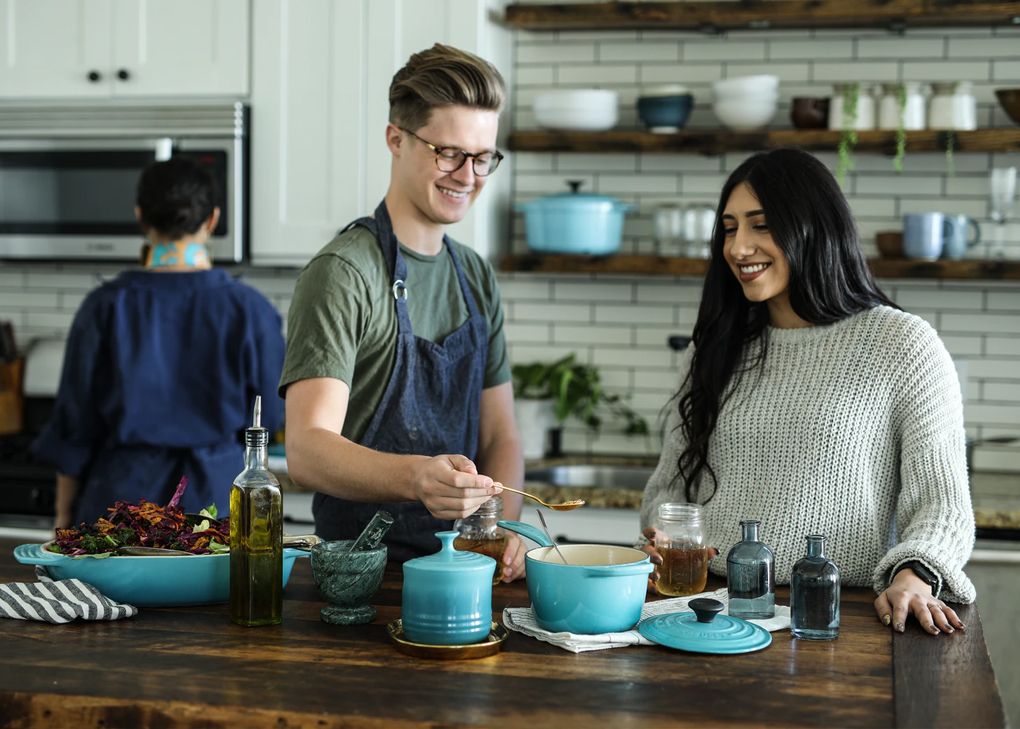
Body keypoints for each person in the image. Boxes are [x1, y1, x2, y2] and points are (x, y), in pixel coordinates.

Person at [639, 147, 974, 637]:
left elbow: (942, 505)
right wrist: (663, 535)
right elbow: (670, 488)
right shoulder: (715, 347)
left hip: (836, 616)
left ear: (813, 228)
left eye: (761, 225)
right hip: (708, 612)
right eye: (730, 229)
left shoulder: (902, 344)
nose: (738, 247)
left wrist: (915, 575)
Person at [279, 44, 527, 578]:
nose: (468, 176)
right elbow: (306, 449)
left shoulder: (475, 275)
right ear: (396, 138)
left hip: (465, 572)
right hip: (363, 582)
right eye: (449, 153)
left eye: (483, 157)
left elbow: (500, 434)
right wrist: (419, 477)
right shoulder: (344, 273)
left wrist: (504, 524)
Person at [32, 157, 285, 528]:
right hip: (215, 509)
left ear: (141, 219)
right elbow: (272, 417)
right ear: (212, 220)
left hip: (119, 509)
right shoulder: (251, 310)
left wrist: (63, 520)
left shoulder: (104, 306)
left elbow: (74, 430)